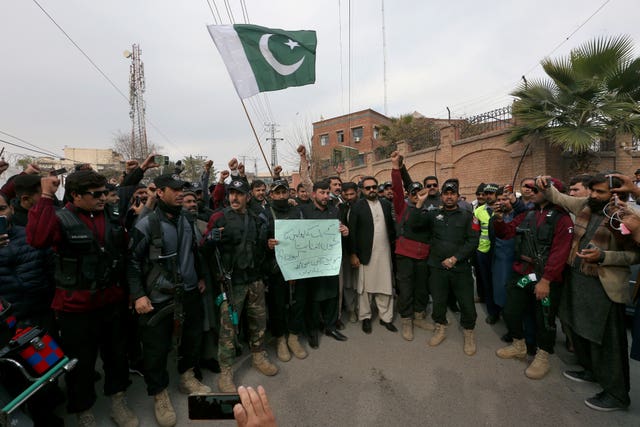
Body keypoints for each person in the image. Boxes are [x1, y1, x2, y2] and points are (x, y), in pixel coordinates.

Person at [27, 171, 137, 427]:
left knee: (116, 357)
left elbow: (124, 254)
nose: (102, 198)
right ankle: (83, 409)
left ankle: (118, 401)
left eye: (103, 192)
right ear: (75, 195)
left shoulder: (111, 216)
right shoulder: (60, 218)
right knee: (81, 364)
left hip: (112, 303)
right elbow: (36, 239)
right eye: (95, 194)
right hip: (76, 310)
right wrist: (45, 196)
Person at [538, 173, 638, 411]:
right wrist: (545, 183)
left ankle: (617, 394)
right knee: (580, 330)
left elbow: (636, 255)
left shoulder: (625, 216)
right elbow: (558, 197)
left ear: (614, 194)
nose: (593, 195)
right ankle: (591, 371)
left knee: (608, 343)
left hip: (604, 288)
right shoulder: (586, 206)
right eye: (592, 191)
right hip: (578, 281)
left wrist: (604, 256)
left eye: (599, 192)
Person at [128, 174, 210, 427]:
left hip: (190, 292)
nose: (179, 194)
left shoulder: (187, 219)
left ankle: (187, 376)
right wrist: (138, 295)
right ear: (160, 192)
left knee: (193, 336)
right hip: (158, 297)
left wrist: (201, 276)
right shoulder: (146, 224)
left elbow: (195, 251)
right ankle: (159, 394)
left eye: (181, 189)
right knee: (156, 348)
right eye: (173, 190)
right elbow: (131, 262)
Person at [203, 179, 278, 393]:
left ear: (248, 196)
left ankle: (258, 355)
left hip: (254, 279)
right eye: (231, 193)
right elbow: (202, 249)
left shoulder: (256, 219)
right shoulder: (219, 217)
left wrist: (269, 245)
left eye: (239, 193)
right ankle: (226, 370)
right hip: (231, 282)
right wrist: (211, 239)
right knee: (228, 328)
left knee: (258, 321)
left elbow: (261, 248)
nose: (234, 197)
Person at [493, 178, 573, 379]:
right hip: (523, 274)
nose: (531, 191)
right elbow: (507, 233)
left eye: (536, 188)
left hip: (544, 277)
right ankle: (518, 345)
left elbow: (560, 253)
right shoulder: (528, 213)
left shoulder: (562, 219)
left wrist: (546, 280)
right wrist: (499, 218)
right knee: (511, 310)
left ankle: (543, 356)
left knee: (544, 319)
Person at [0, 191, 61, 426]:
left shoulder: (31, 236)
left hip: (39, 316)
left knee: (46, 372)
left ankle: (47, 413)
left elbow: (50, 268)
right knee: (15, 380)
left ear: (12, 210)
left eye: (2, 208)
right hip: (6, 326)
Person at [409, 179, 480, 355]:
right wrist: (419, 202)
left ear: (457, 196)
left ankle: (469, 333)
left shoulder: (468, 216)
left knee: (466, 303)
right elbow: (414, 225)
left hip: (460, 267)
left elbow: (473, 241)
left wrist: (455, 258)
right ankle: (439, 328)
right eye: (446, 194)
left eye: (452, 194)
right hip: (437, 267)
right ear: (441, 196)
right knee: (439, 301)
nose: (449, 197)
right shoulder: (434, 215)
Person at [297, 180, 350, 346]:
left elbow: (339, 229)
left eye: (328, 193)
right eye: (322, 193)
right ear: (314, 194)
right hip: (311, 264)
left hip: (329, 262)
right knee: (313, 298)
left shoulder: (334, 211)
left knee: (332, 295)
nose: (326, 196)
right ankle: (312, 331)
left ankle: (330, 326)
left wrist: (345, 231)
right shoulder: (303, 211)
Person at [264, 179, 309, 362]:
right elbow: (259, 239)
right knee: (277, 303)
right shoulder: (266, 214)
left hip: (298, 265)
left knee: (298, 301)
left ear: (289, 193)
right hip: (276, 268)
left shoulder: (297, 211)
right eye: (277, 193)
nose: (281, 196)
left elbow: (307, 233)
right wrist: (267, 244)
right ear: (271, 195)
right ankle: (280, 339)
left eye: (284, 192)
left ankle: (293, 337)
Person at [390, 152, 433, 341]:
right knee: (405, 290)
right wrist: (395, 166)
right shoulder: (402, 208)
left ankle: (418, 316)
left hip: (423, 256)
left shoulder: (429, 209)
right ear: (409, 195)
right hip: (405, 256)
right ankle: (406, 320)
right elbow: (398, 188)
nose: (416, 196)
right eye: (413, 193)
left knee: (421, 288)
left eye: (419, 192)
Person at [349, 176, 397, 334]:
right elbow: (353, 233)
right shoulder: (357, 207)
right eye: (368, 188)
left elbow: (391, 228)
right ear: (362, 190)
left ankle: (386, 318)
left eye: (374, 187)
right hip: (365, 254)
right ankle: (366, 317)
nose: (371, 190)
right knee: (365, 289)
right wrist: (353, 254)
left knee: (385, 285)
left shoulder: (385, 204)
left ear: (378, 188)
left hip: (384, 253)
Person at [474, 183, 501, 324]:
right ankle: (493, 312)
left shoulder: (505, 209)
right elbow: (474, 232)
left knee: (501, 282)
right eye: (486, 193)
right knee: (488, 283)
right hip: (483, 252)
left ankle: (503, 309)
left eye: (492, 193)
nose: (488, 196)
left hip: (501, 253)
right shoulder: (478, 211)